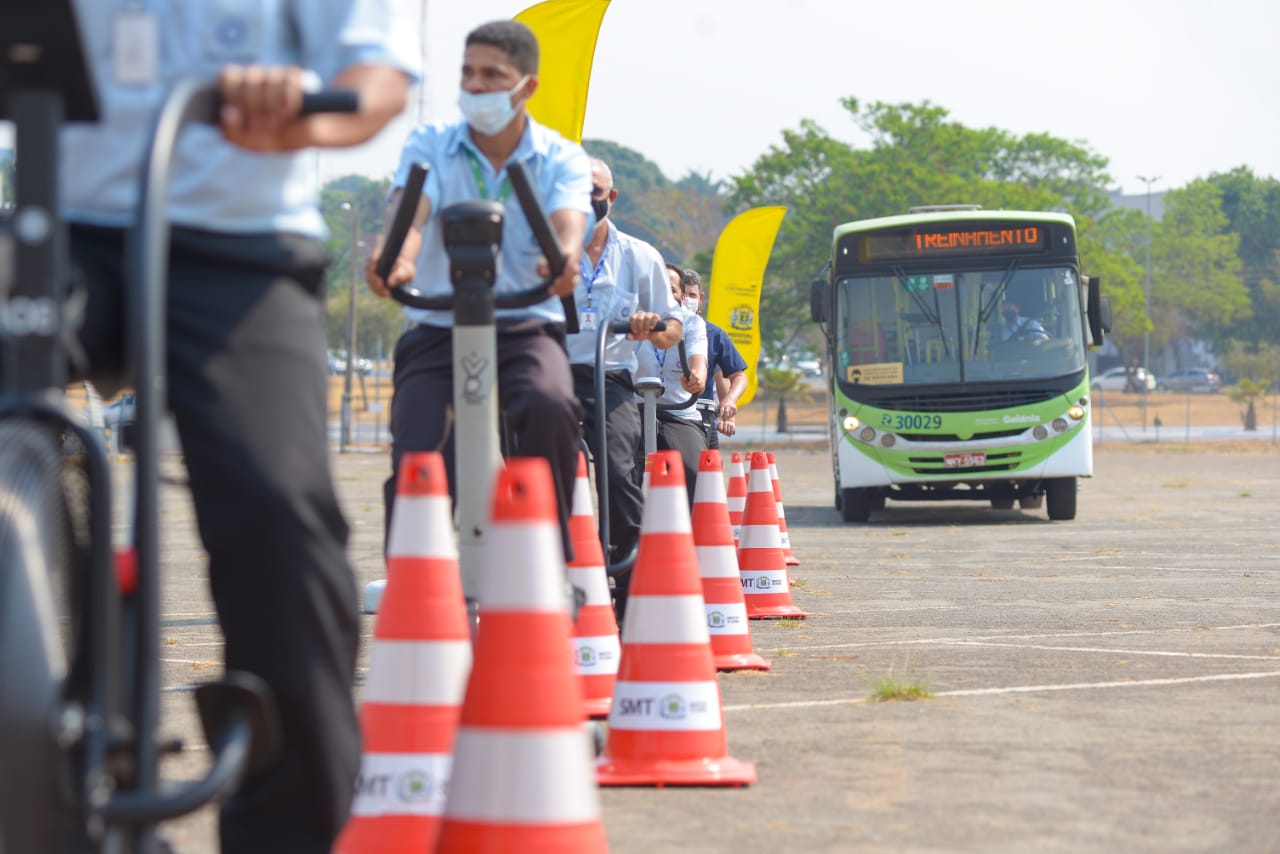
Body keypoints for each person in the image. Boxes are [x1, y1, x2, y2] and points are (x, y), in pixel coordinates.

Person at [56, 2, 417, 850]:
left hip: (240, 252)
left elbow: (378, 80)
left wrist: (302, 109)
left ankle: (291, 829)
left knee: (280, 517)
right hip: (66, 234)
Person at [366, 20, 590, 559]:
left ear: (526, 86)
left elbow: (566, 229)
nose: (476, 85)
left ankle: (547, 558)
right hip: (439, 324)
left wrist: (560, 260)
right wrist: (395, 256)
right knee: (419, 444)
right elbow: (411, 214)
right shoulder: (432, 144)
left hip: (524, 323)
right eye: (468, 73)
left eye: (493, 75)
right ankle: (414, 568)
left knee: (549, 404)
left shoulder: (560, 157)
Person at [565, 157, 682, 607]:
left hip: (610, 375)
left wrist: (649, 327)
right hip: (552, 370)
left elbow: (671, 330)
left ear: (610, 198)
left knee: (618, 467)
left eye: (593, 191)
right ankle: (550, 561)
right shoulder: (547, 249)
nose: (584, 200)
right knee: (542, 461)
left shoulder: (640, 255)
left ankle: (627, 575)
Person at [636, 267, 707, 506]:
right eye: (659, 286)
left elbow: (699, 360)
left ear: (681, 296)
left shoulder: (692, 323)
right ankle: (625, 536)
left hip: (678, 411)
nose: (664, 293)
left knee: (696, 473)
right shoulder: (633, 320)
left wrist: (696, 377)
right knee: (618, 469)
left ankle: (690, 532)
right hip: (635, 409)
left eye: (671, 288)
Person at [676, 266, 748, 447]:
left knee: (703, 472)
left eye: (692, 296)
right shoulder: (655, 330)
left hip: (699, 418)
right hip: (661, 412)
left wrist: (729, 404)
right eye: (681, 295)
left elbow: (733, 376)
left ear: (700, 298)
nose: (686, 301)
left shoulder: (714, 335)